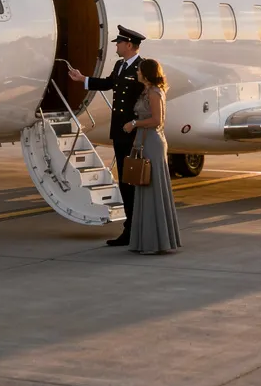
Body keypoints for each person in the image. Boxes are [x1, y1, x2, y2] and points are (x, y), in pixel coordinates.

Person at [68, 25, 146, 246]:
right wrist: (83, 79)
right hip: (121, 132)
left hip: (135, 133)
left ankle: (137, 229)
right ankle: (130, 229)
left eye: (119, 44)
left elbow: (149, 96)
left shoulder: (143, 67)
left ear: (129, 44)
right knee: (125, 181)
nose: (117, 47)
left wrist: (138, 124)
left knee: (136, 182)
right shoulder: (120, 65)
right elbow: (109, 84)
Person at [126, 58, 180, 254]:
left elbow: (156, 120)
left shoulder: (154, 93)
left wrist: (134, 124)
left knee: (152, 188)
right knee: (145, 186)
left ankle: (155, 242)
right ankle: (146, 240)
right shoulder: (147, 92)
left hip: (152, 141)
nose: (137, 72)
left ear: (146, 73)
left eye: (140, 70)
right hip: (144, 140)